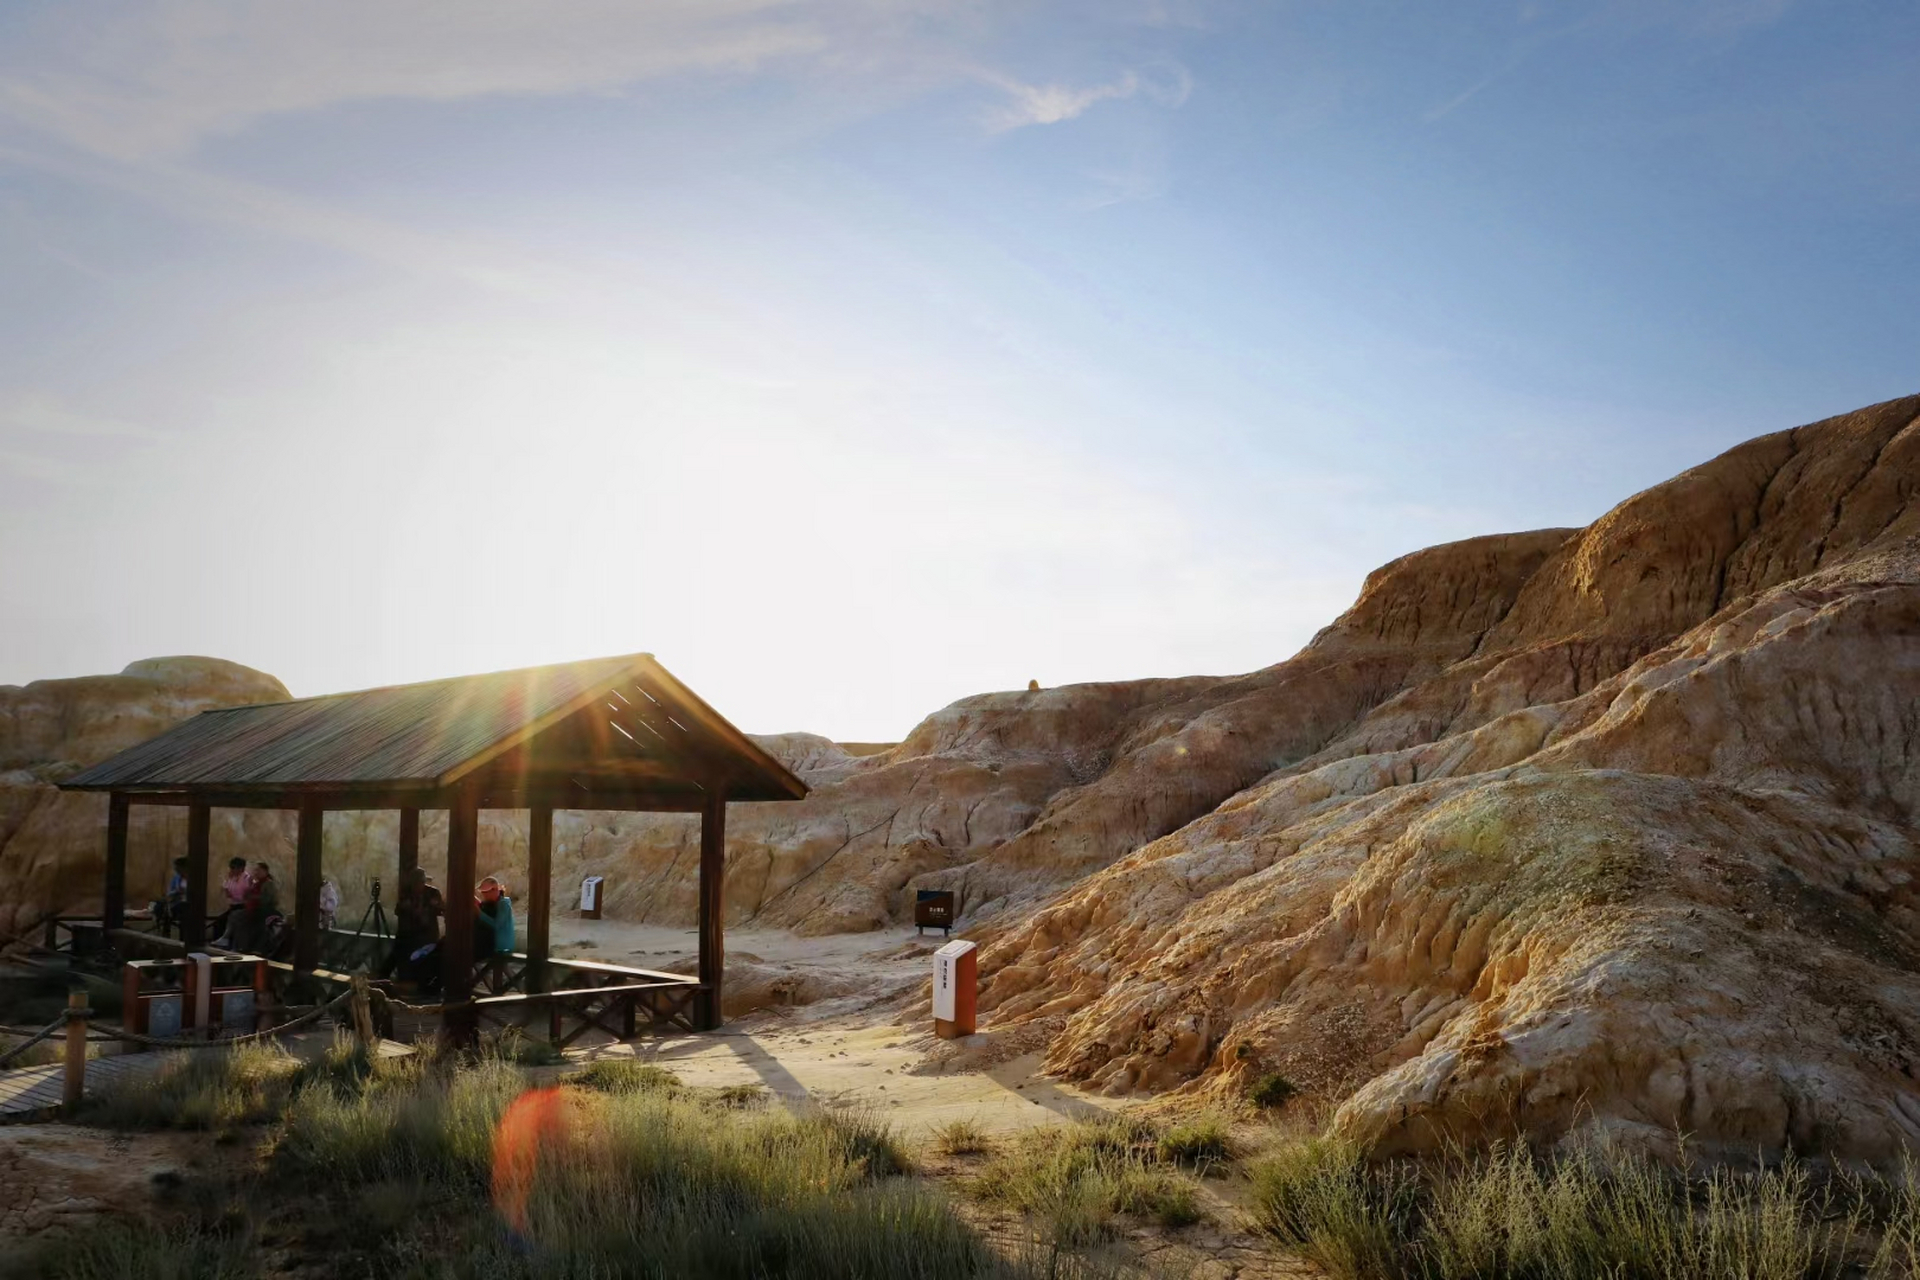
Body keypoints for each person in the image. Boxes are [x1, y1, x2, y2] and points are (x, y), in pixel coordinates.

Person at [381, 867, 443, 981]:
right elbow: (398, 910)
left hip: (427, 934)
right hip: (410, 934)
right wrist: (409, 908)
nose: (417, 887)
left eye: (420, 883)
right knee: (399, 948)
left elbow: (440, 910)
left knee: (419, 953)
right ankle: (382, 977)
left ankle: (417, 981)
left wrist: (427, 909)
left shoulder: (433, 893)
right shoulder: (407, 893)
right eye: (415, 884)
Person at [231, 861, 281, 954]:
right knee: (235, 915)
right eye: (255, 870)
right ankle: (235, 944)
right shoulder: (256, 883)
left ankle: (247, 947)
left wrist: (252, 897)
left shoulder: (268, 884)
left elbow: (268, 899)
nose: (256, 872)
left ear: (265, 871)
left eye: (258, 870)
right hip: (255, 908)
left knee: (241, 918)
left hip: (266, 910)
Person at [474, 876, 516, 959]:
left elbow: (496, 925)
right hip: (497, 943)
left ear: (495, 890)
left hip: (502, 945)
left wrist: (479, 913)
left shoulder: (503, 904)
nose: (483, 895)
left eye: (485, 892)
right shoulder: (496, 903)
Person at [210, 857, 249, 946]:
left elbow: (243, 895)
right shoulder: (231, 878)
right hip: (234, 905)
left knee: (232, 919)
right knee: (219, 922)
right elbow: (228, 894)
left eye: (234, 868)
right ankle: (220, 942)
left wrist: (234, 895)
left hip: (243, 906)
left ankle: (227, 940)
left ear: (241, 868)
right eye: (231, 868)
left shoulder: (247, 878)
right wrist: (228, 883)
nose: (232, 870)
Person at [157, 857, 188, 936]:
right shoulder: (176, 878)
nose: (176, 869)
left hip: (187, 905)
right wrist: (176, 892)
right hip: (176, 903)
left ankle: (183, 937)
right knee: (160, 906)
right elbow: (169, 893)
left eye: (178, 867)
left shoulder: (193, 879)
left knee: (183, 907)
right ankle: (164, 934)